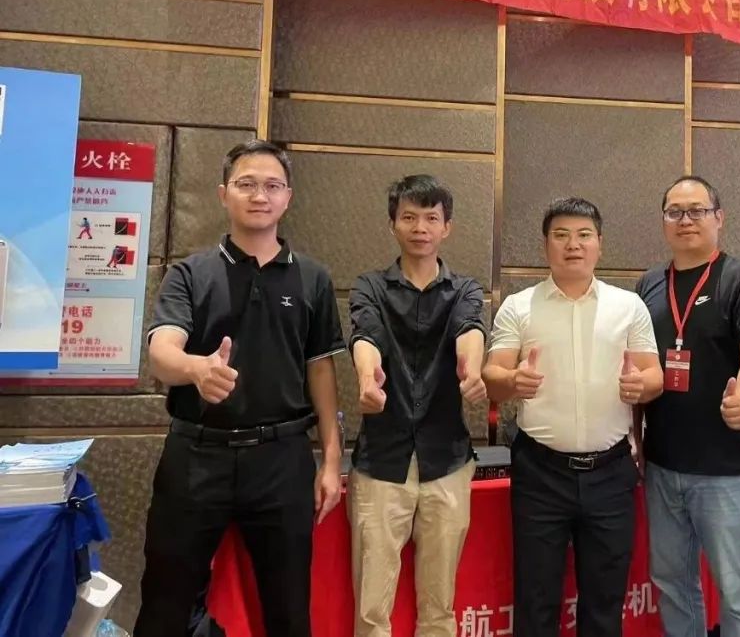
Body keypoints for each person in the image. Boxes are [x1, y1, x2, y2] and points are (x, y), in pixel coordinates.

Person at [134, 140, 345, 637]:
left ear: (287, 198)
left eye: (272, 186)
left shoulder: (313, 278)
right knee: (166, 603)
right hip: (196, 458)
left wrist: (332, 460)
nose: (259, 196)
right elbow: (162, 351)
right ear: (223, 194)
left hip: (282, 459)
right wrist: (196, 370)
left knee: (288, 609)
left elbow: (320, 371)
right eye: (246, 184)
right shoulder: (190, 273)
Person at [483, 197, 663, 637]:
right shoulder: (519, 306)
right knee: (536, 599)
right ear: (545, 245)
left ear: (600, 243)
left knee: (604, 602)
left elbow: (654, 375)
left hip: (610, 473)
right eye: (561, 235)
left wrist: (641, 386)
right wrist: (513, 380)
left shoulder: (628, 306)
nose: (573, 245)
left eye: (584, 235)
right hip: (541, 473)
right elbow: (492, 376)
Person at [347, 174, 487, 637]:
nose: (420, 227)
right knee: (372, 607)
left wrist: (471, 368)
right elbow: (365, 334)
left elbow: (470, 328)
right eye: (409, 217)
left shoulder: (464, 289)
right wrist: (367, 376)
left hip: (446, 460)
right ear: (393, 224)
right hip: (381, 460)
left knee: (439, 606)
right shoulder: (370, 286)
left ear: (447, 227)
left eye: (431, 218)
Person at [635, 176, 740, 637]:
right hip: (662, 464)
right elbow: (639, 362)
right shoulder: (649, 284)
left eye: (697, 210)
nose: (686, 220)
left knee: (737, 591)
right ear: (663, 221)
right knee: (673, 584)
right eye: (674, 212)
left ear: (719, 217)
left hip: (723, 470)